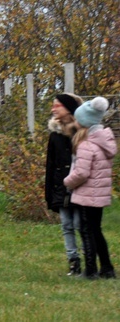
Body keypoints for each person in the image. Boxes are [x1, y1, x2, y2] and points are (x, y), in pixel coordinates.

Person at [64, 97, 116, 279]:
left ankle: (91, 270)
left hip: (88, 193)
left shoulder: (86, 144)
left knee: (87, 231)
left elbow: (81, 173)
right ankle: (107, 268)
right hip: (99, 193)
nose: (75, 122)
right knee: (96, 230)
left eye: (78, 119)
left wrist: (67, 182)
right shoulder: (104, 141)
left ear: (85, 122)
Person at [45, 93, 84, 275]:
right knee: (66, 225)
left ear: (69, 108)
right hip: (61, 188)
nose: (53, 109)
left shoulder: (82, 133)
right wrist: (50, 193)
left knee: (80, 224)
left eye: (57, 105)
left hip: (81, 187)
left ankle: (89, 259)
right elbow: (51, 166)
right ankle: (73, 261)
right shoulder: (55, 135)